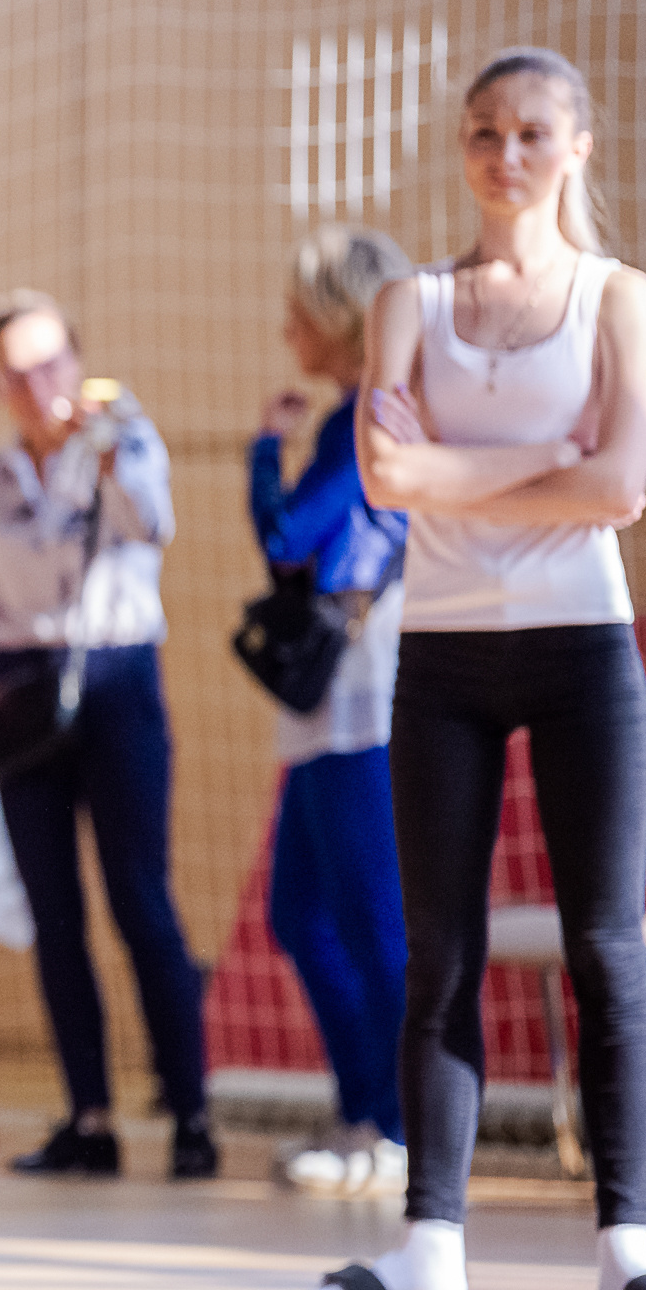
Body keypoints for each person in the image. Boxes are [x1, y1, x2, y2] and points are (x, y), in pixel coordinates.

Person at [305, 49, 646, 1290]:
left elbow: (620, 488)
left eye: (533, 132)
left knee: (604, 947)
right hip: (445, 658)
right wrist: (545, 450)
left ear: (576, 147)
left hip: (582, 644)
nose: (507, 154)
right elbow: (386, 481)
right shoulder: (408, 305)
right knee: (443, 952)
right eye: (485, 132)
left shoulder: (618, 298)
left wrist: (459, 469)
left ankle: (626, 1249)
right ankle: (432, 1243)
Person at [0, 292, 215, 1180]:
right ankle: (87, 1118)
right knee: (54, 915)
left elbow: (153, 526)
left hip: (118, 676)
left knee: (142, 901)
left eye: (50, 362)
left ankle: (192, 1113)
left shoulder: (125, 444)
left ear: (78, 361)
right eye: (15, 371)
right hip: (26, 690)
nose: (35, 385)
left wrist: (101, 451)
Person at [250, 227, 415, 1198]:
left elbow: (286, 536)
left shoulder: (368, 420)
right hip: (327, 709)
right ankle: (364, 1107)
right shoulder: (349, 419)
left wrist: (263, 450)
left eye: (299, 313)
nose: (284, 329)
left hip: (371, 705)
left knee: (370, 918)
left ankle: (396, 1124)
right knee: (300, 913)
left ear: (339, 321)